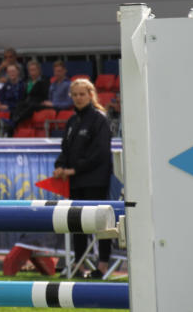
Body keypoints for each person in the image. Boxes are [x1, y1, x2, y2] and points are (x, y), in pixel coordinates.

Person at [53, 78, 112, 278]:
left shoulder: (99, 119)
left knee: (101, 223)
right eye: (75, 95)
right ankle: (79, 264)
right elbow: (65, 149)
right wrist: (60, 166)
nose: (78, 98)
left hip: (95, 180)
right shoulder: (72, 121)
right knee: (77, 223)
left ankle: (102, 265)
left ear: (90, 95)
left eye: (82, 94)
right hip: (76, 181)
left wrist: (74, 170)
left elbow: (100, 153)